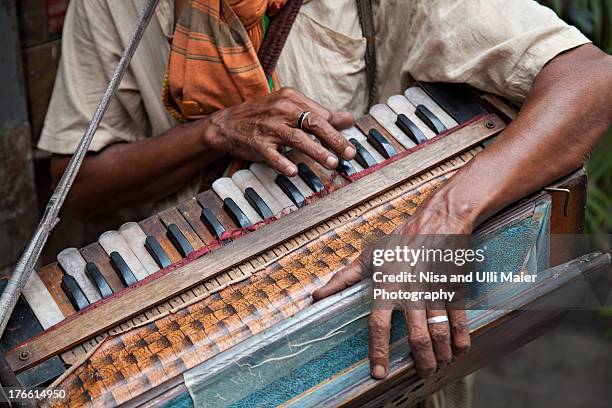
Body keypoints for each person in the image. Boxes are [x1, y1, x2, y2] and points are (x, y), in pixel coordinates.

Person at [38, 0, 611, 406]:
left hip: (373, 315)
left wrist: (446, 217)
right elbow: (75, 180)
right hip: (191, 336)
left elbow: (590, 79)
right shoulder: (113, 7)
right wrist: (214, 131)